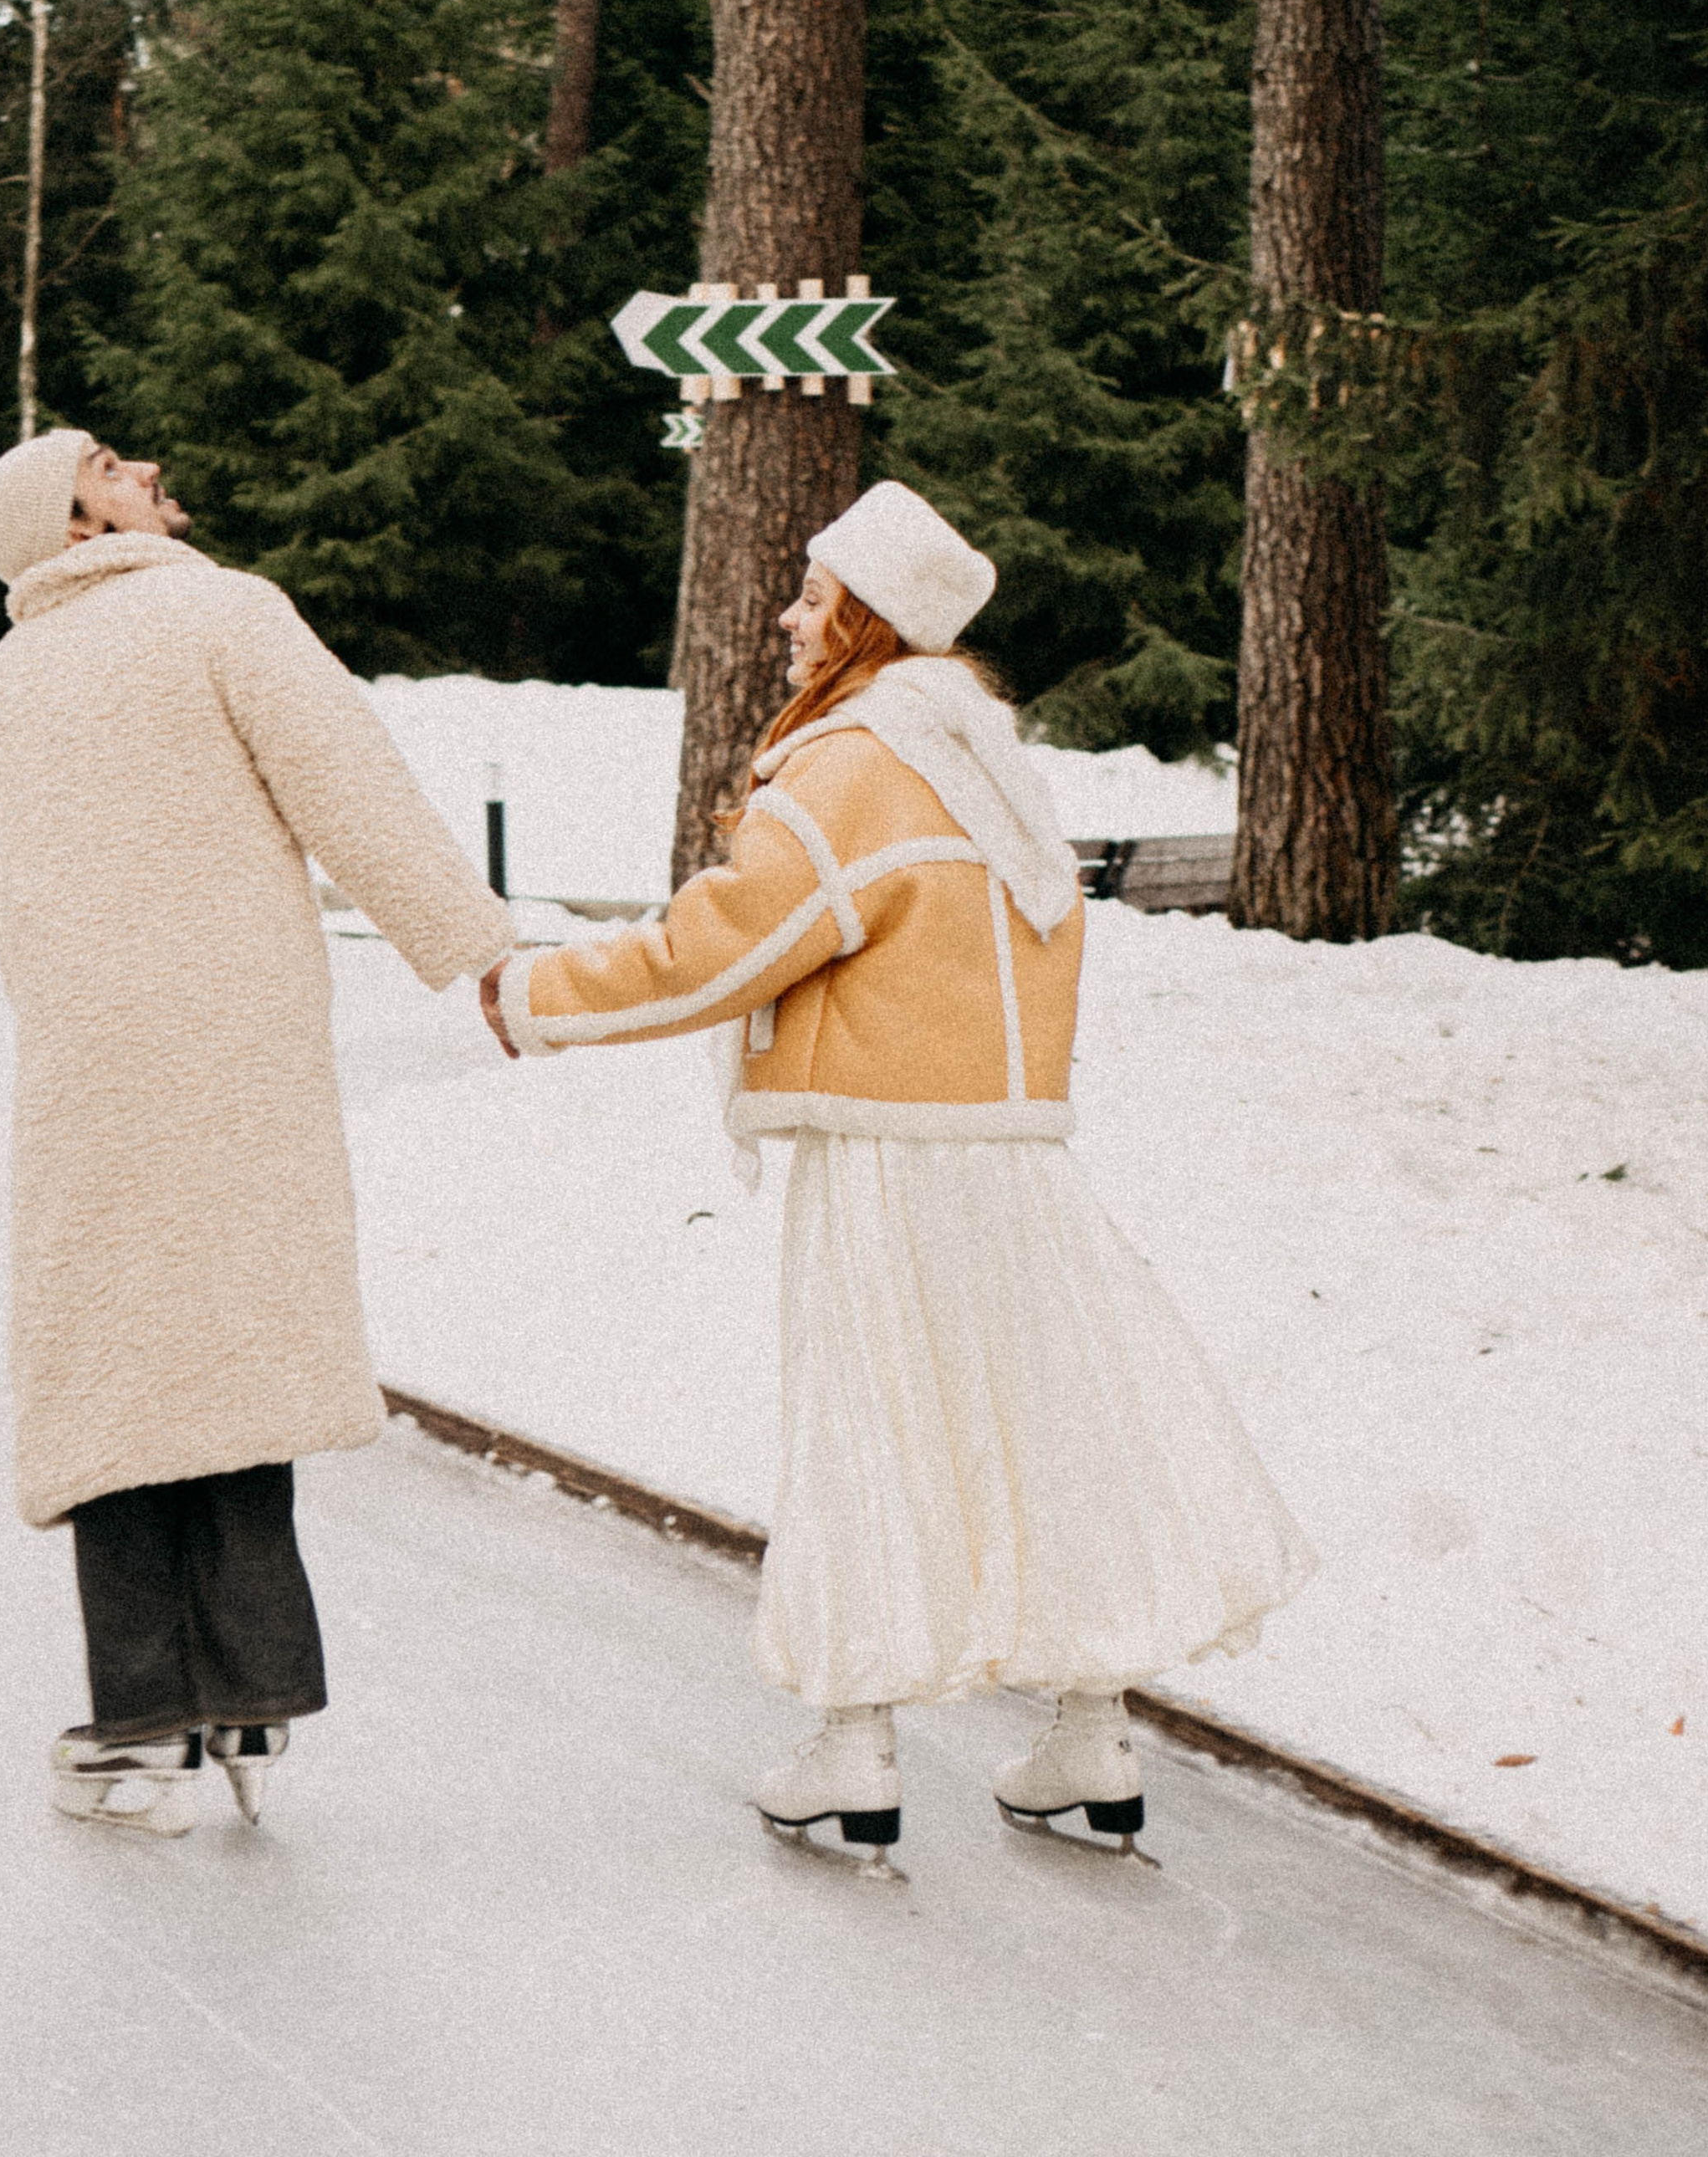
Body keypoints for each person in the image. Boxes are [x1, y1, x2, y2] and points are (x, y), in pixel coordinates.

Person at [483, 480, 1313, 1868]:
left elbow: (725, 947)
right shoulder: (988, 763)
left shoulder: (852, 768)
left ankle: (853, 1749)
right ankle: (1090, 1729)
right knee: (1041, 1433)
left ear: (866, 619)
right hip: (1013, 1159)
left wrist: (536, 998)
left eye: (813, 596)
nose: (787, 617)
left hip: (886, 1157)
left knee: (867, 1432)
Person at [0, 429, 514, 1835]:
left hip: (92, 1084)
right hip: (245, 1064)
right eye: (116, 470)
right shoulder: (226, 613)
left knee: (119, 1372)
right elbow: (352, 783)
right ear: (69, 527)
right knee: (237, 1349)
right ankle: (249, 1695)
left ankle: (143, 1725)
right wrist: (478, 952)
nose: (150, 475)